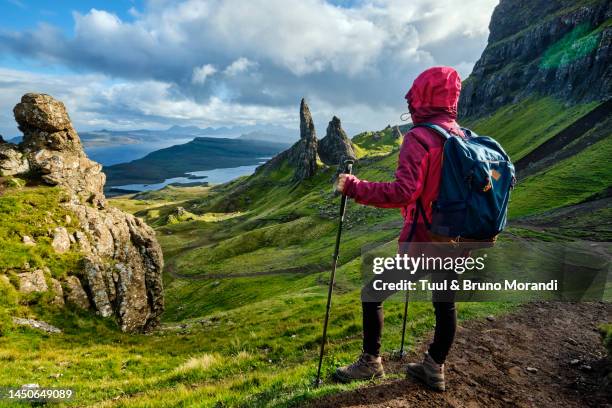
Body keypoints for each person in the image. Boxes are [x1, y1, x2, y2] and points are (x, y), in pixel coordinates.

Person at [333, 66, 464, 391]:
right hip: (459, 236)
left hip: (425, 239)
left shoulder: (420, 138)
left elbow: (404, 192)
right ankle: (435, 368)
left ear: (423, 96)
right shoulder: (461, 135)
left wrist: (354, 187)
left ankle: (370, 363)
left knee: (372, 293)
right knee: (445, 303)